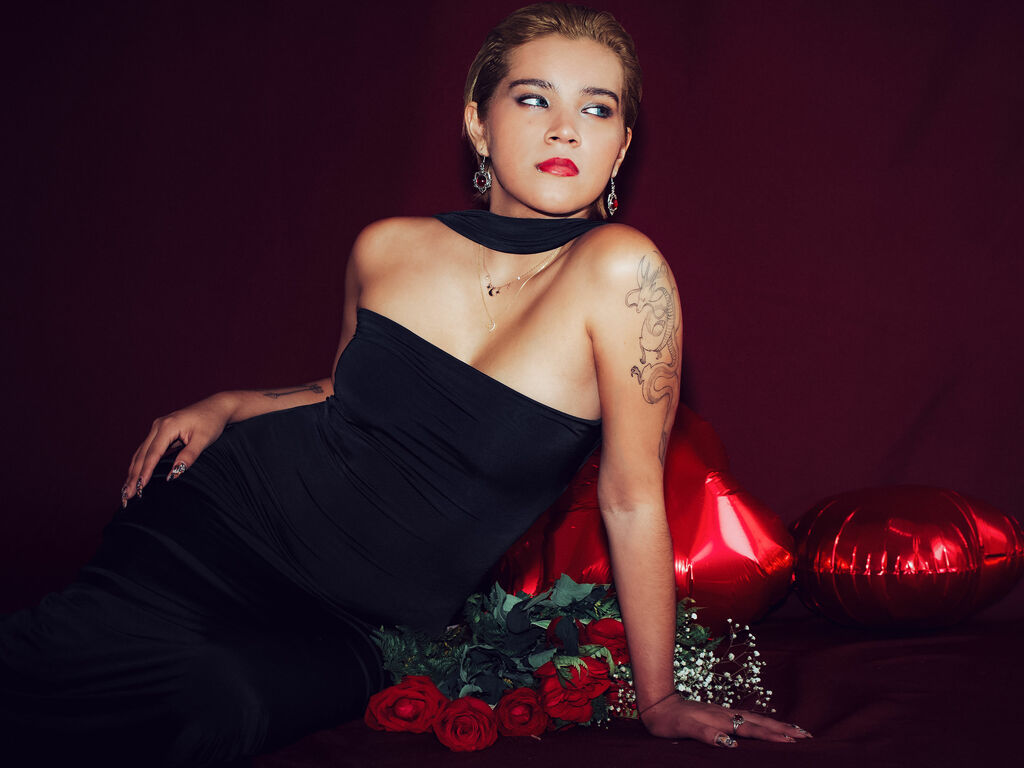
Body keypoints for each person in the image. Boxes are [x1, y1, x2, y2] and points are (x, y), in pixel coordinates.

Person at [1, 3, 810, 765]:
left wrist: (659, 698)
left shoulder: (622, 273)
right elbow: (343, 395)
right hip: (220, 529)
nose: (565, 127)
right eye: (534, 99)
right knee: (42, 664)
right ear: (477, 122)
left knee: (213, 710)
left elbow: (631, 498)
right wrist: (230, 403)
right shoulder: (387, 247)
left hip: (365, 623)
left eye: (597, 109)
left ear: (621, 147)